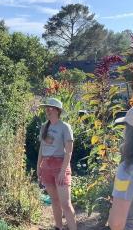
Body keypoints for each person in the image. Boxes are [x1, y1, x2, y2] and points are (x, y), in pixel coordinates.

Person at [37, 98, 77, 230]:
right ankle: (58, 227)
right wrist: (39, 167)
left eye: (50, 108)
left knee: (65, 203)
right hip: (46, 167)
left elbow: (69, 151)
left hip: (60, 166)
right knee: (54, 200)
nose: (47, 110)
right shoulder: (44, 126)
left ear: (57, 110)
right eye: (46, 108)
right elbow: (41, 149)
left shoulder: (65, 127)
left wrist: (62, 171)